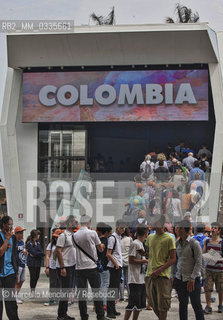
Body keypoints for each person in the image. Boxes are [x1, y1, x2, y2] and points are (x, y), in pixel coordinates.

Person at [73, 215, 108, 320]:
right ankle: (100, 316)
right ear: (88, 222)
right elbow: (100, 249)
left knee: (82, 295)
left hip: (79, 268)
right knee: (96, 292)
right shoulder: (92, 233)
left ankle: (84, 316)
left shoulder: (74, 235)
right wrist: (103, 245)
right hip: (91, 267)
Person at [172, 219, 204, 320]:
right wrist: (173, 276)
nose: (176, 229)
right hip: (180, 278)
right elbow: (174, 261)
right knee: (182, 305)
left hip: (192, 280)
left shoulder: (194, 243)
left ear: (184, 229)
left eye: (179, 227)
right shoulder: (177, 243)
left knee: (196, 305)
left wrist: (192, 278)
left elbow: (199, 262)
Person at [145, 214, 176, 320]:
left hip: (162, 276)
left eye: (153, 221)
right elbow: (149, 254)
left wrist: (159, 270)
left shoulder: (169, 239)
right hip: (149, 275)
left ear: (159, 224)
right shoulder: (150, 237)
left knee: (163, 305)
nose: (150, 223)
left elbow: (173, 258)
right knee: (152, 304)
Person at [124, 226, 148, 320]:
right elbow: (131, 260)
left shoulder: (141, 244)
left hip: (141, 278)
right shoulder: (135, 244)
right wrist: (145, 261)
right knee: (132, 303)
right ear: (145, 233)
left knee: (139, 305)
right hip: (134, 278)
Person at [56, 215, 77, 320]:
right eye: (74, 222)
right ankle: (61, 315)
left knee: (68, 290)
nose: (76, 223)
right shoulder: (63, 235)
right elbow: (58, 250)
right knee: (65, 291)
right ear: (69, 223)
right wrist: (62, 267)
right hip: (65, 266)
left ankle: (64, 313)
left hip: (72, 266)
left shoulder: (73, 235)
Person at [0, 216, 20, 320]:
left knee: (11, 300)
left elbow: (14, 256)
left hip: (10, 273)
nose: (11, 226)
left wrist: (16, 272)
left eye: (12, 224)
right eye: (9, 224)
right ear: (3, 224)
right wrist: (6, 238)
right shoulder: (3, 236)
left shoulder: (13, 238)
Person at [106, 219, 125, 318]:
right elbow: (108, 254)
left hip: (118, 266)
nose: (123, 229)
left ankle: (113, 309)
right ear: (117, 227)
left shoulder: (118, 237)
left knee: (115, 289)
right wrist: (116, 264)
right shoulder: (112, 238)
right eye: (122, 227)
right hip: (114, 267)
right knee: (112, 289)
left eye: (124, 228)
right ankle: (109, 311)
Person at [203, 222, 223, 314]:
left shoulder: (222, 242)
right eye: (212, 228)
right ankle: (208, 305)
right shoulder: (207, 241)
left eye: (215, 228)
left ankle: (220, 305)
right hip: (209, 269)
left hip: (220, 270)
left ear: (219, 230)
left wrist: (216, 257)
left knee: (221, 289)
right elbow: (203, 253)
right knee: (207, 288)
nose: (213, 229)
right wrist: (210, 256)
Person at [96, 223, 112, 311]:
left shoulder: (97, 240)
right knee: (105, 284)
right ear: (106, 233)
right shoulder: (106, 241)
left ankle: (97, 304)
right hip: (104, 266)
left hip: (97, 265)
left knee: (98, 285)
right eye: (109, 233)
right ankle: (104, 304)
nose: (110, 235)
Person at [44, 229, 62, 306]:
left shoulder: (62, 244)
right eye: (55, 237)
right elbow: (47, 256)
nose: (56, 238)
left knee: (59, 283)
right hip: (52, 266)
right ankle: (51, 299)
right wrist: (47, 267)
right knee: (52, 283)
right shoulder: (51, 245)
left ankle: (57, 298)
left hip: (60, 266)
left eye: (58, 237)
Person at [14, 226, 27, 304]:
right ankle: (14, 296)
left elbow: (24, 250)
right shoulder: (14, 242)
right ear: (16, 234)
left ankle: (17, 295)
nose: (22, 234)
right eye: (20, 233)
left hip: (23, 264)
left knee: (22, 280)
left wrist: (25, 252)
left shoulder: (22, 242)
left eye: (22, 233)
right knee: (16, 281)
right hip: (17, 265)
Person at [120, 228, 132, 301]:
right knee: (128, 279)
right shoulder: (130, 239)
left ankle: (121, 296)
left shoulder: (119, 239)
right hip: (128, 261)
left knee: (121, 279)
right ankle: (129, 295)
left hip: (120, 261)